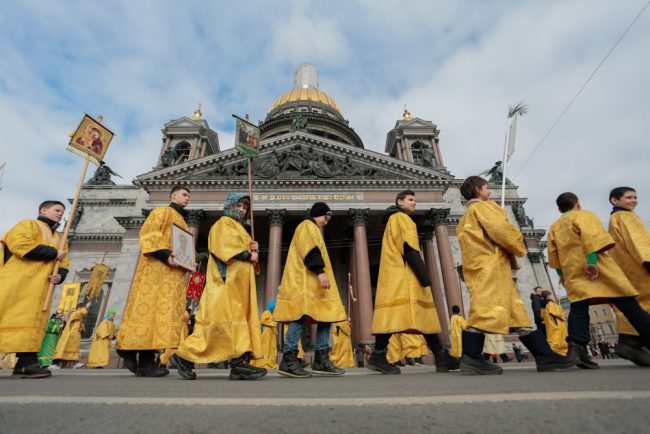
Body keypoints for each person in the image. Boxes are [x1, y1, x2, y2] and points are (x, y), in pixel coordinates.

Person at [456, 177, 576, 374]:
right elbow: (501, 231)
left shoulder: (466, 216)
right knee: (484, 310)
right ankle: (471, 356)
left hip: (482, 268)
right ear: (478, 190)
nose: (490, 191)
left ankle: (545, 356)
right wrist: (518, 243)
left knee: (518, 314)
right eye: (487, 188)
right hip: (492, 267)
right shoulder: (485, 208)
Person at [548, 191, 650, 369]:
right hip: (597, 270)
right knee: (630, 305)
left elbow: (553, 256)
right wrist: (592, 262)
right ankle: (639, 339)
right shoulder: (584, 215)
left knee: (579, 309)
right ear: (577, 204)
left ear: (559, 209)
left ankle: (576, 350)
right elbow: (592, 238)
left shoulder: (555, 226)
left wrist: (561, 276)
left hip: (573, 273)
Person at [170, 193, 265, 381]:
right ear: (230, 206)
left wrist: (254, 249)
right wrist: (248, 255)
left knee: (236, 324)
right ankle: (184, 357)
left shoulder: (241, 229)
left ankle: (239, 364)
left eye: (245, 207)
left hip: (238, 286)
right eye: (239, 206)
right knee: (219, 325)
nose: (242, 210)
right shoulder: (223, 223)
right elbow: (224, 247)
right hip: (226, 283)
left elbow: (247, 257)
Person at [368, 190, 457, 375]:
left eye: (414, 200)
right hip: (405, 275)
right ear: (400, 202)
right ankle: (378, 356)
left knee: (417, 314)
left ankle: (440, 354)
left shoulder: (393, 220)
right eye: (410, 199)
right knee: (409, 313)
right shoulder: (401, 218)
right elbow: (408, 247)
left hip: (395, 274)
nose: (414, 203)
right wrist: (424, 275)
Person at [116, 186, 192, 377]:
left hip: (172, 273)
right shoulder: (162, 212)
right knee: (149, 312)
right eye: (184, 194)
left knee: (158, 316)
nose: (187, 198)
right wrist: (165, 254)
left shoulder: (182, 221)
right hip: (157, 270)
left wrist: (189, 261)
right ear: (172, 195)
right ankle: (137, 356)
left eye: (189, 196)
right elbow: (150, 235)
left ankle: (145, 362)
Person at [274, 202, 346, 378]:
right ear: (317, 214)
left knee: (326, 315)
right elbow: (310, 250)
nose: (326, 222)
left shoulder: (312, 228)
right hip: (305, 281)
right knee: (299, 316)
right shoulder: (307, 226)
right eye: (325, 218)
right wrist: (320, 272)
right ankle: (289, 360)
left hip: (314, 283)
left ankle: (321, 359)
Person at [0, 200, 69, 378]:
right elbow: (19, 244)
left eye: (62, 211)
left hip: (40, 289)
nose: (60, 214)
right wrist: (53, 253)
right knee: (6, 316)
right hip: (17, 283)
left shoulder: (61, 238)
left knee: (32, 325)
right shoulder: (28, 224)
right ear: (43, 210)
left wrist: (60, 275)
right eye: (57, 210)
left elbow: (64, 262)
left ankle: (26, 364)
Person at [607, 187, 650, 366]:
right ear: (614, 200)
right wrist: (647, 261)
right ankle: (630, 342)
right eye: (629, 197)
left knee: (635, 307)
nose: (634, 201)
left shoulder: (613, 219)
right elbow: (639, 242)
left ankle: (629, 342)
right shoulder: (626, 217)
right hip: (640, 269)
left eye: (635, 197)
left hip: (626, 271)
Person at [52, 301, 90, 368]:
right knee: (63, 348)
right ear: (79, 308)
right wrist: (86, 307)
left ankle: (75, 363)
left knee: (73, 349)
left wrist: (82, 329)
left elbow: (82, 326)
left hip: (75, 336)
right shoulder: (74, 313)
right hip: (69, 335)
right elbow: (80, 313)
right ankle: (54, 363)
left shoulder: (80, 319)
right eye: (82, 308)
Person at [252, 301, 279, 370]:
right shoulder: (266, 312)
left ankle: (269, 363)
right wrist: (274, 322)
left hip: (270, 332)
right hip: (267, 332)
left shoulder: (270, 313)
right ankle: (264, 363)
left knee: (271, 348)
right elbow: (263, 321)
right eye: (274, 307)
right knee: (265, 348)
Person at [540, 291, 568, 355]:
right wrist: (561, 311)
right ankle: (560, 353)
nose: (552, 296)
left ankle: (559, 353)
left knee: (553, 339)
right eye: (551, 295)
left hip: (549, 325)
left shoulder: (542, 306)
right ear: (548, 296)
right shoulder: (550, 303)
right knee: (559, 339)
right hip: (557, 324)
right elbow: (557, 313)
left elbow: (542, 315)